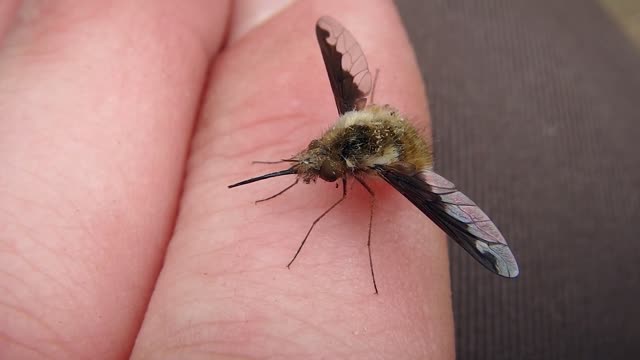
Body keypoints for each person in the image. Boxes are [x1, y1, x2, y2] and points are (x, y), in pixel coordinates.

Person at [0, 1, 454, 358]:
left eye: (326, 168)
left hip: (398, 151)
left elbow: (382, 184)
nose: (318, 170)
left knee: (369, 201)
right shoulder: (340, 134)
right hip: (376, 126)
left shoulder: (381, 170)